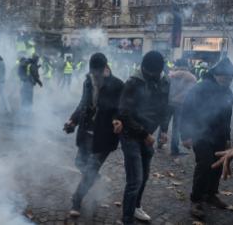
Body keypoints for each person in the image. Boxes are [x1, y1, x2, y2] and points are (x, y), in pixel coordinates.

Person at [64, 53, 124, 217]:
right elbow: (83, 104)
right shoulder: (88, 82)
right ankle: (94, 177)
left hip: (105, 136)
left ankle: (77, 200)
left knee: (90, 169)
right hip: (86, 132)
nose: (95, 77)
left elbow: (121, 109)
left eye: (97, 74)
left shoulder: (118, 85)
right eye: (92, 73)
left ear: (106, 69)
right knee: (79, 163)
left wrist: (117, 120)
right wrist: (72, 120)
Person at [119, 51, 170, 225]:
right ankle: (127, 220)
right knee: (135, 180)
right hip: (130, 135)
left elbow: (165, 107)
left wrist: (164, 130)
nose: (152, 77)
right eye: (148, 73)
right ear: (143, 68)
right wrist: (144, 134)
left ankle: (136, 207)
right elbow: (124, 114)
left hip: (148, 135)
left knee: (145, 175)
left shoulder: (164, 80)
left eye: (155, 74)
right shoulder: (133, 82)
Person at [181, 57, 233, 219]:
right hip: (200, 134)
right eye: (226, 78)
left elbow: (227, 117)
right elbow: (186, 110)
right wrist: (185, 136)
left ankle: (211, 194)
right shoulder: (200, 89)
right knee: (204, 165)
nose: (228, 82)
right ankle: (196, 199)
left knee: (218, 166)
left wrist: (227, 137)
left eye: (231, 79)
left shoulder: (228, 91)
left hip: (218, 136)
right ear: (217, 75)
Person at [166, 58, 197, 155]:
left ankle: (160, 142)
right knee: (176, 127)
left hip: (169, 102)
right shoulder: (192, 78)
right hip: (181, 104)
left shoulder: (170, 75)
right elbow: (192, 93)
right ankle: (174, 149)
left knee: (164, 124)